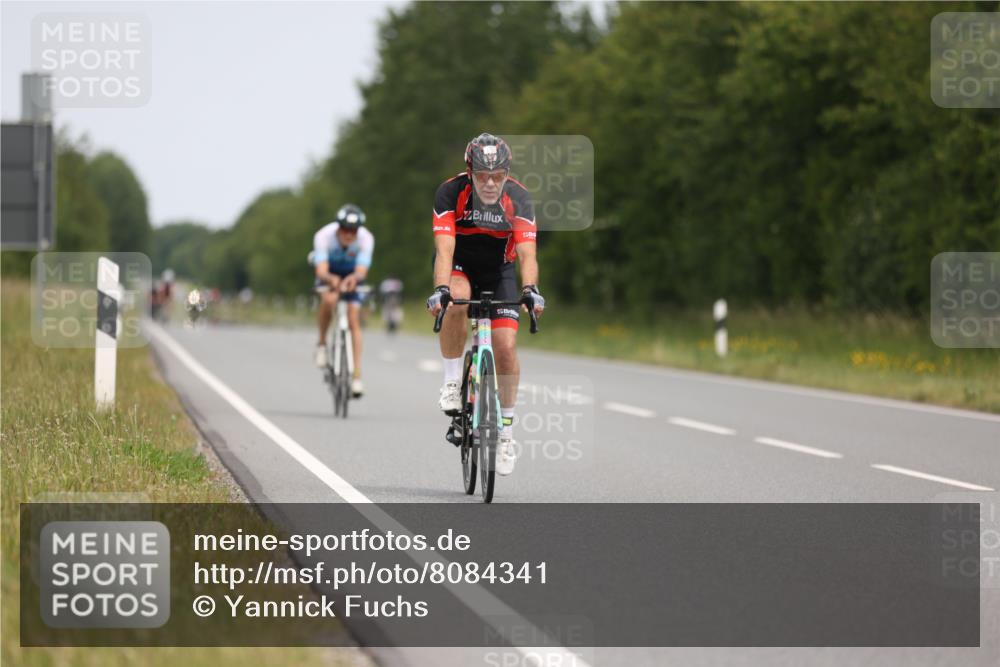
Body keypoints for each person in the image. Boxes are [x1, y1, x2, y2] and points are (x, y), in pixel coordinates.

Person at [426, 133, 545, 476]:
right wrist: (440, 289)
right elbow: (445, 249)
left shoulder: (519, 198)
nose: (491, 183)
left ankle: (506, 434)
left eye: (498, 176)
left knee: (506, 347)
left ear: (507, 173)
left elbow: (526, 253)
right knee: (457, 300)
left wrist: (530, 289)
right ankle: (451, 382)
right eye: (482, 176)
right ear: (469, 171)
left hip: (500, 271)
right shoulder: (450, 193)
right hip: (459, 264)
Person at [312, 204, 374, 398]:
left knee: (353, 318)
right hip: (329, 275)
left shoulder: (366, 238)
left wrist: (353, 279)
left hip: (352, 276)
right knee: (329, 301)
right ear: (338, 228)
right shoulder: (323, 236)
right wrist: (332, 280)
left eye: (353, 231)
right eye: (345, 229)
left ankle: (356, 376)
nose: (349, 234)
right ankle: (322, 344)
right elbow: (321, 270)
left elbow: (362, 270)